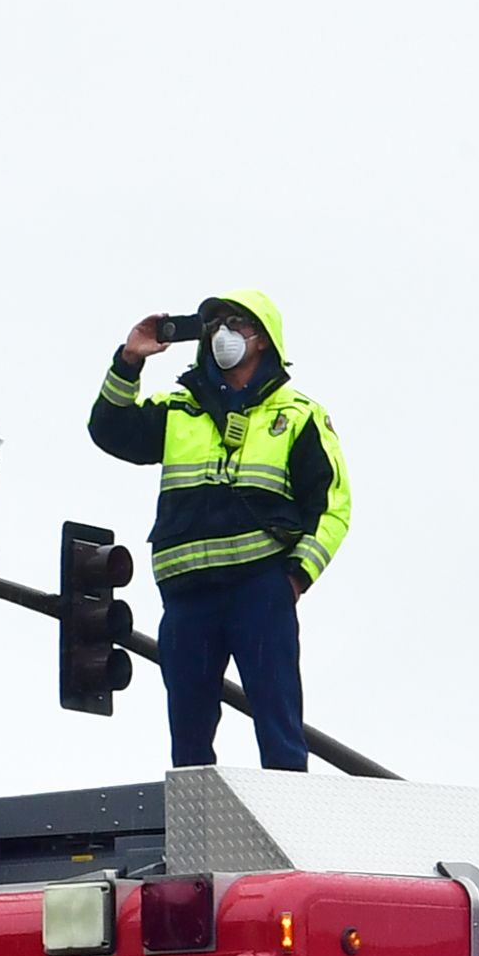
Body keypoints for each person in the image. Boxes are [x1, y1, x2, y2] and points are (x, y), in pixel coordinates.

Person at [90, 291, 350, 772]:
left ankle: (287, 829)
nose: (222, 334)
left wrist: (294, 578)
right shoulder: (179, 408)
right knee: (189, 745)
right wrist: (129, 360)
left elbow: (332, 508)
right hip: (188, 599)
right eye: (214, 324)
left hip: (259, 591)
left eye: (236, 323)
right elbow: (109, 429)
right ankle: (199, 835)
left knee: (279, 733)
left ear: (264, 340)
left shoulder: (296, 415)